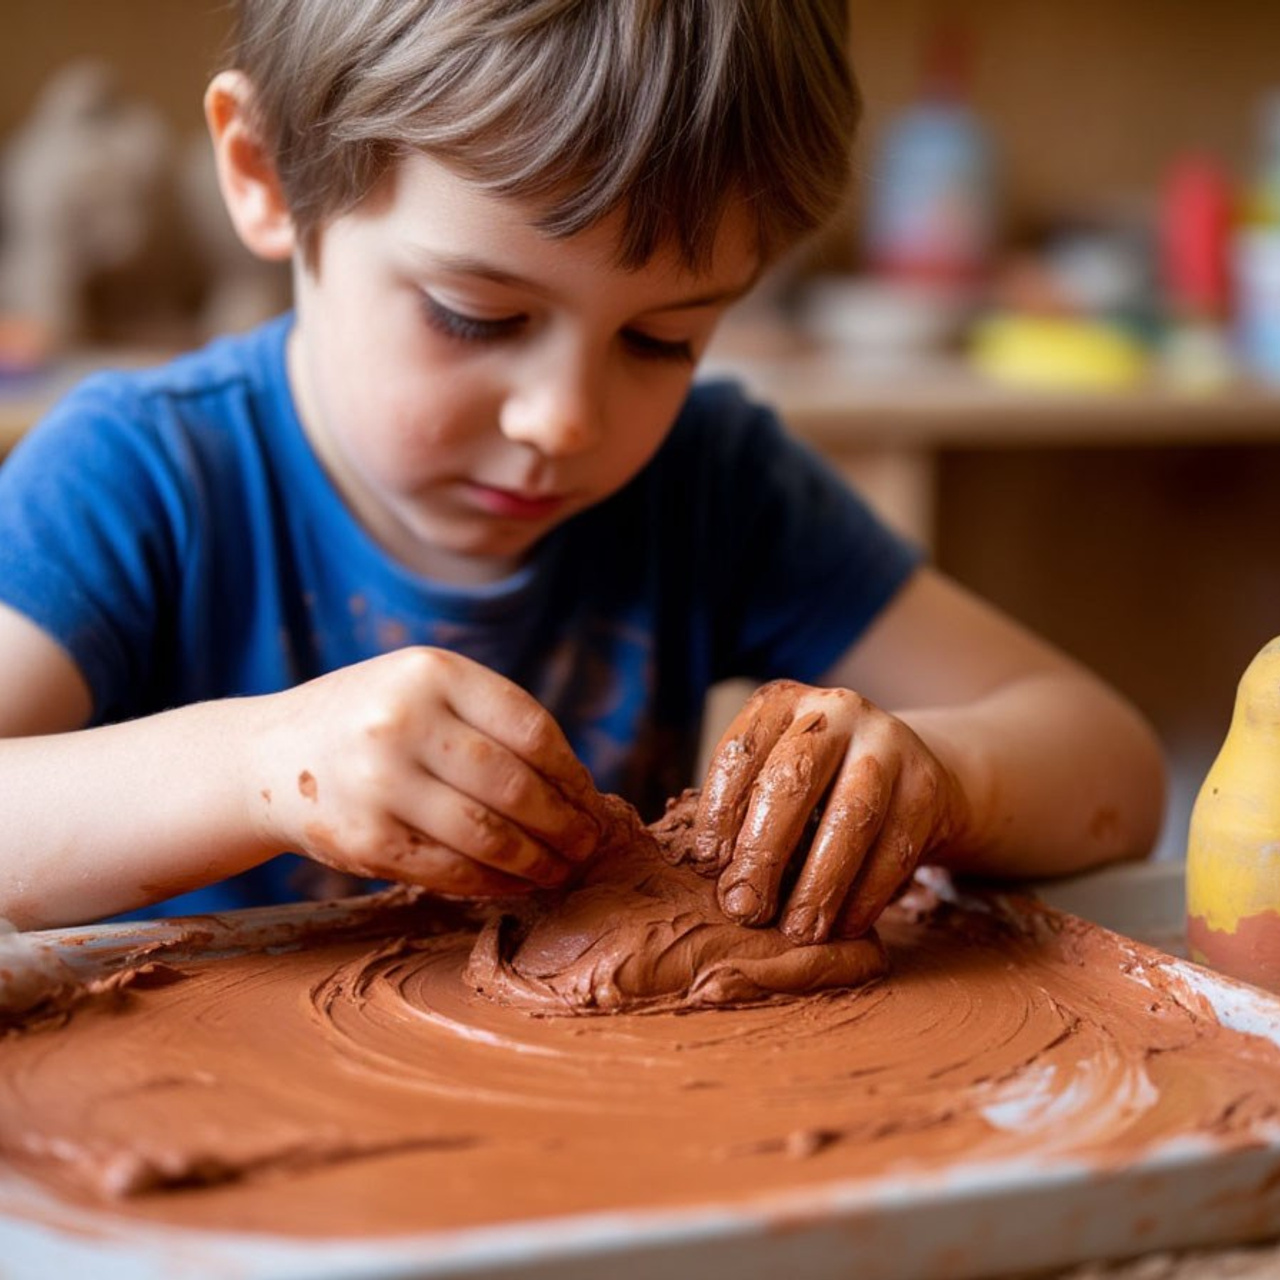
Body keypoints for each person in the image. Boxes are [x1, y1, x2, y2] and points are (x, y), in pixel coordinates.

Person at [0, 0, 1164, 935]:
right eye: (476, 315)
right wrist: (261, 766)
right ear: (263, 173)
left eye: (662, 339)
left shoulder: (716, 487)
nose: (562, 420)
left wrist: (935, 779)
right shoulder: (140, 475)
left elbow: (1110, 767)